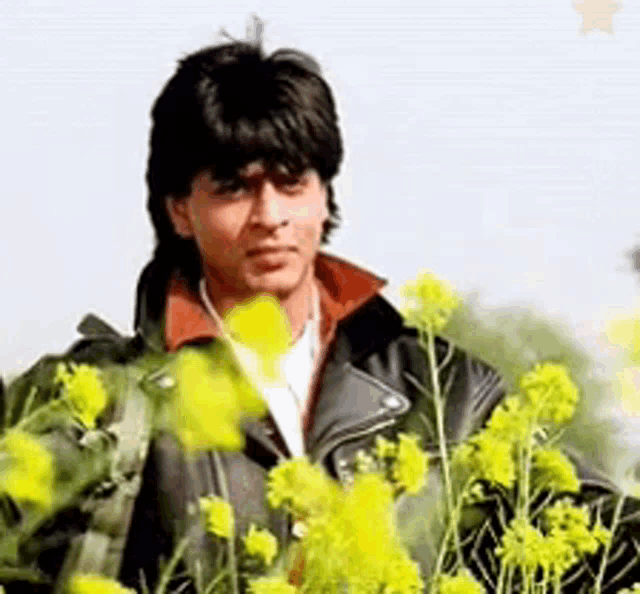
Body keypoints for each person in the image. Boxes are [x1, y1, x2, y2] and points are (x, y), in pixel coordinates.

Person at [2, 26, 638, 594]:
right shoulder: (103, 403)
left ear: (325, 193)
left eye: (291, 182)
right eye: (234, 188)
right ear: (178, 210)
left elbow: (594, 535)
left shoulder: (442, 390)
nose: (270, 216)